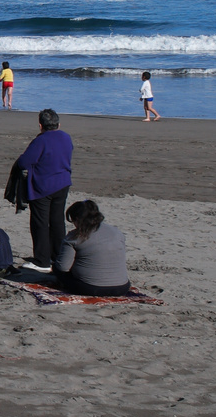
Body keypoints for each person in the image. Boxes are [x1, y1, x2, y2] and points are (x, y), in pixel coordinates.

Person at [11, 108, 73, 268]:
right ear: (58, 124)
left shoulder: (41, 140)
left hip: (44, 186)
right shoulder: (66, 137)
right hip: (62, 183)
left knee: (40, 223)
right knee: (57, 221)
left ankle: (42, 260)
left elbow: (24, 162)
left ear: (40, 126)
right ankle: (58, 256)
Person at [52, 199, 131, 296]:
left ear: (77, 219)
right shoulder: (117, 232)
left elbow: (62, 267)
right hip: (122, 287)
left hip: (91, 288)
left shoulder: (73, 238)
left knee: (56, 268)